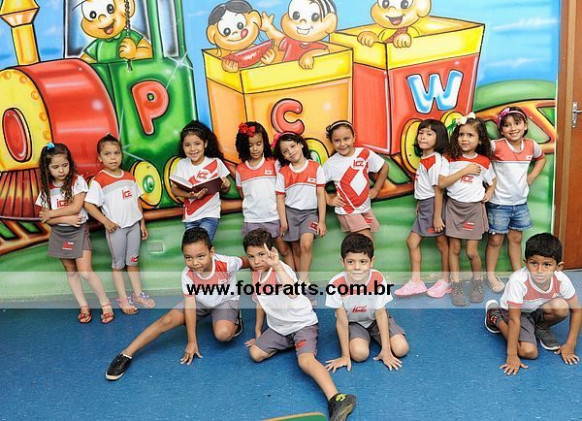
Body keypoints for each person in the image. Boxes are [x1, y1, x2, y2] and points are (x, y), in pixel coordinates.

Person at [243, 229, 356, 421]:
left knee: (305, 362)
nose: (256, 261)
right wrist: (258, 332)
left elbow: (293, 292)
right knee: (255, 353)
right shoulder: (256, 275)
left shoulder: (281, 270)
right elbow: (260, 303)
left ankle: (338, 398)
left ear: (271, 251)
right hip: (279, 328)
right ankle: (294, 344)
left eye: (261, 254)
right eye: (251, 256)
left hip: (302, 324)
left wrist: (276, 265)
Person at [105, 228, 245, 380]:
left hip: (224, 301)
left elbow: (251, 261)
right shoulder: (187, 275)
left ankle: (236, 319)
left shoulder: (227, 263)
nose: (195, 263)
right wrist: (192, 341)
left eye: (200, 256)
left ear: (211, 252)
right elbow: (190, 306)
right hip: (200, 302)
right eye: (188, 258)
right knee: (166, 320)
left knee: (223, 335)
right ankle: (126, 354)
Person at [36, 143, 113, 324]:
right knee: (71, 272)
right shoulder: (46, 189)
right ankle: (83, 306)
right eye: (55, 167)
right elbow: (45, 218)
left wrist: (53, 214)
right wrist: (66, 219)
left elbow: (76, 207)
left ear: (70, 163)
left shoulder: (77, 181)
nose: (61, 170)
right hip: (59, 233)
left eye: (65, 165)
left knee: (85, 272)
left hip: (79, 231)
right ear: (47, 168)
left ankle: (106, 304)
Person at [485, 233, 581, 375]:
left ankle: (539, 327)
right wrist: (512, 354)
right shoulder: (518, 281)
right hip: (516, 313)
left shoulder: (561, 280)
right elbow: (514, 319)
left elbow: (577, 310)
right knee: (528, 352)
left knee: (561, 307)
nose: (539, 271)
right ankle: (495, 316)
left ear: (558, 266)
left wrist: (570, 345)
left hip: (535, 308)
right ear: (526, 262)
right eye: (534, 263)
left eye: (547, 264)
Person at [85, 134, 155, 315]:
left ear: (121, 155)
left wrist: (142, 223)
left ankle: (138, 294)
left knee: (133, 262)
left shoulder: (129, 177)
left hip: (134, 227)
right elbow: (88, 205)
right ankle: (123, 299)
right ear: (100, 158)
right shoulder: (100, 180)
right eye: (107, 154)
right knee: (118, 265)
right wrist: (105, 221)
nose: (113, 157)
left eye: (116, 153)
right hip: (116, 230)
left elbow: (137, 200)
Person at [325, 233, 408, 373]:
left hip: (375, 320)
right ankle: (360, 338)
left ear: (372, 261)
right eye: (350, 262)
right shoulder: (335, 284)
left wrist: (386, 350)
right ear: (342, 262)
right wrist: (345, 356)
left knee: (401, 349)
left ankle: (379, 338)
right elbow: (342, 321)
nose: (357, 267)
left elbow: (381, 313)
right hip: (354, 323)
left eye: (363, 261)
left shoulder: (378, 278)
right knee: (359, 355)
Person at [485, 107, 546, 292]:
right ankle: (490, 275)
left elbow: (541, 158)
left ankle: (517, 275)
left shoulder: (531, 145)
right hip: (498, 203)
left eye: (517, 123)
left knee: (516, 238)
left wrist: (531, 176)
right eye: (507, 125)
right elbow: (480, 160)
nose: (513, 128)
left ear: (525, 125)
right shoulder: (496, 146)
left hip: (520, 203)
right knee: (495, 240)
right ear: (501, 130)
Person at [438, 114, 496, 306]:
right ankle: (456, 284)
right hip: (454, 208)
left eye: (470, 135)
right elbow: (442, 183)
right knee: (454, 249)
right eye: (461, 134)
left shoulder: (484, 161)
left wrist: (490, 191)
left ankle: (477, 282)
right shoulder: (449, 158)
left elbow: (492, 180)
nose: (464, 139)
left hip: (473, 210)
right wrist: (465, 170)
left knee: (471, 252)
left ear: (480, 140)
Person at [395, 119, 450, 298]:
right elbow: (425, 185)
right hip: (426, 205)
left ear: (439, 138)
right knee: (413, 242)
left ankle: (445, 280)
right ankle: (416, 282)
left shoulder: (433, 160)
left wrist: (437, 216)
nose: (423, 137)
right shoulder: (425, 158)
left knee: (441, 243)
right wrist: (420, 202)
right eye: (421, 133)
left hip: (434, 206)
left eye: (429, 134)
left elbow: (438, 189)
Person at [235, 121, 294, 268]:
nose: (255, 148)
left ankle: (293, 280)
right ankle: (260, 282)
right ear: (243, 146)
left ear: (264, 143)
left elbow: (283, 189)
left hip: (274, 217)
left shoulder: (273, 163)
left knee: (284, 250)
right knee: (257, 258)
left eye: (258, 143)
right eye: (250, 145)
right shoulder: (240, 169)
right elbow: (243, 194)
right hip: (252, 220)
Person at [274, 132, 326, 287]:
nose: (290, 152)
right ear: (283, 156)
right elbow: (280, 198)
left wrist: (321, 221)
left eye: (292, 146)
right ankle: (300, 282)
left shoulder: (316, 167)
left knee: (306, 243)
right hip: (290, 213)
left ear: (301, 144)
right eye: (285, 151)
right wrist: (284, 221)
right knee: (296, 248)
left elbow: (321, 195)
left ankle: (304, 279)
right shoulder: (283, 173)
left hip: (310, 214)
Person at [323, 120, 388, 240]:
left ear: (354, 137)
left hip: (365, 208)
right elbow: (318, 184)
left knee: (359, 244)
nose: (342, 144)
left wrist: (376, 189)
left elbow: (384, 167)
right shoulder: (331, 163)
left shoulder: (364, 153)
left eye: (346, 139)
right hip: (347, 210)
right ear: (331, 142)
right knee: (367, 241)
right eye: (337, 140)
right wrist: (330, 200)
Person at [170, 121, 231, 239]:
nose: (192, 149)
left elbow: (225, 189)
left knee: (202, 245)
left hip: (210, 215)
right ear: (183, 146)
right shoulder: (182, 164)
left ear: (205, 144)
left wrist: (226, 185)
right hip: (190, 217)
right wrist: (189, 195)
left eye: (197, 144)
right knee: (193, 247)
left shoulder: (215, 162)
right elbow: (174, 189)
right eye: (187, 145)